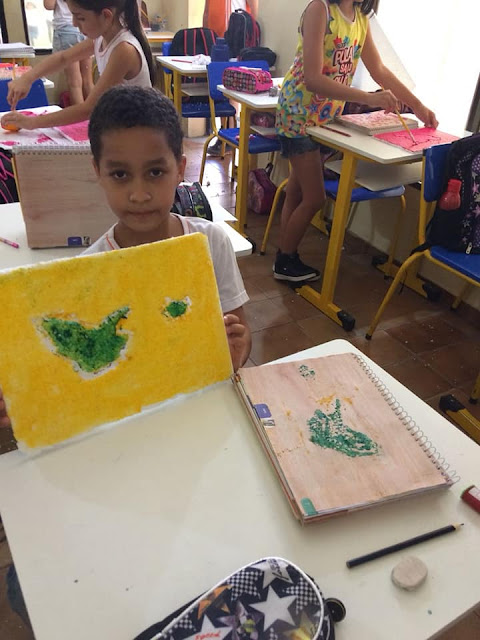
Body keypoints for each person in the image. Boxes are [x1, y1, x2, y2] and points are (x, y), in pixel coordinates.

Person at [0, 87, 252, 429]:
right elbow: (80, 377)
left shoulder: (210, 242)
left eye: (155, 172)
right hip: (130, 427)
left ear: (180, 169)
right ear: (97, 172)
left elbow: (239, 335)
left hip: (202, 415)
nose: (139, 194)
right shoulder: (89, 271)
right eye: (120, 174)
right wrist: (24, 397)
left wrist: (236, 352)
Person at [274, 0, 438, 283]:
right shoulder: (320, 9)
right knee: (314, 198)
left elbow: (380, 70)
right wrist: (369, 98)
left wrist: (418, 106)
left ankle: (285, 253)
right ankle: (284, 260)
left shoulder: (361, 18)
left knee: (297, 192)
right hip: (297, 113)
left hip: (323, 119)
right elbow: (312, 79)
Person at [0, 0, 154, 132]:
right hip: (120, 126)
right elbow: (63, 58)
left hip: (138, 133)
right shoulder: (101, 39)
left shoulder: (124, 49)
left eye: (80, 17)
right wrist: (27, 78)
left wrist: (32, 122)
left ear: (106, 16)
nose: (74, 23)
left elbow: (88, 108)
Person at [44, 0, 94, 105]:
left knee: (74, 82)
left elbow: (49, 5)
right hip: (85, 27)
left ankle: (80, 114)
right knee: (87, 80)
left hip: (66, 29)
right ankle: (96, 112)